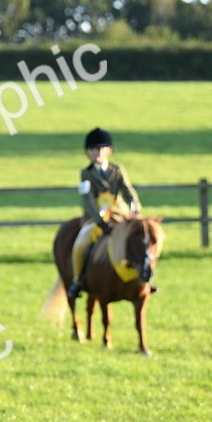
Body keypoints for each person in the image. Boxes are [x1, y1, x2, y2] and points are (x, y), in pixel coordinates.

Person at [67, 127, 142, 300]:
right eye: (93, 150)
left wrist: (135, 206)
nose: (97, 153)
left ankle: (142, 279)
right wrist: (99, 221)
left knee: (139, 241)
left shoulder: (117, 170)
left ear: (109, 150)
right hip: (95, 218)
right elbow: (87, 199)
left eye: (100, 149)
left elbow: (128, 191)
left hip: (119, 214)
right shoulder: (86, 173)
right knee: (81, 243)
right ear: (88, 153)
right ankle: (77, 281)